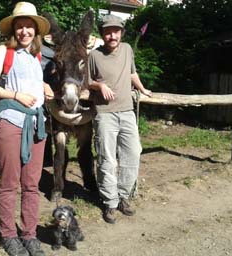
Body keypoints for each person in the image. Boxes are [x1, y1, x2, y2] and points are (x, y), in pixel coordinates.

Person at [0, 2, 53, 256]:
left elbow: (27, 78)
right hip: (11, 123)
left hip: (35, 126)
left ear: (36, 30)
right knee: (10, 183)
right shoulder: (4, 50)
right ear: (14, 29)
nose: (24, 31)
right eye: (20, 26)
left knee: (32, 184)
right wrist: (16, 95)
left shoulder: (35, 56)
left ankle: (29, 234)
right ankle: (9, 235)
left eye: (29, 26)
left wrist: (43, 85)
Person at [88, 14, 152, 224]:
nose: (112, 35)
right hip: (104, 114)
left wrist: (143, 89)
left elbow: (132, 73)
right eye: (107, 31)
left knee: (132, 153)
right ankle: (110, 202)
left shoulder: (127, 50)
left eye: (115, 31)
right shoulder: (94, 56)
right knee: (107, 158)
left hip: (127, 111)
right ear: (102, 34)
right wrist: (100, 85)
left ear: (121, 33)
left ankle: (123, 196)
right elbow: (86, 81)